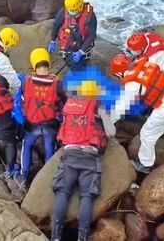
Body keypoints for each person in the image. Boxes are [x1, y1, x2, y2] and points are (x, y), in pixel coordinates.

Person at [108, 54, 164, 174]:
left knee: (147, 135)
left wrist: (107, 121)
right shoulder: (144, 63)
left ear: (119, 73)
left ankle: (145, 164)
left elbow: (120, 108)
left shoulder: (132, 85)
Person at [50, 81, 108, 241]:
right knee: (87, 196)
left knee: (63, 192)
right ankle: (82, 237)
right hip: (90, 155)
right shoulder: (98, 107)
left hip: (70, 153)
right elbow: (111, 131)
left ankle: (55, 236)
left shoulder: (70, 105)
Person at [13, 48, 66, 187]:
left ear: (33, 64)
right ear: (48, 63)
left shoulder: (26, 83)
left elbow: (21, 101)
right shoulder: (58, 84)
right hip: (50, 124)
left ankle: (24, 176)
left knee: (27, 145)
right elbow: (64, 104)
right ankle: (48, 177)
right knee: (50, 147)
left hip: (31, 124)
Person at [47, 0, 97, 70]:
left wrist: (81, 51)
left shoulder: (90, 17)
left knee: (81, 63)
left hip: (82, 43)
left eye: (73, 11)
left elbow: (91, 35)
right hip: (68, 41)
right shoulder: (64, 12)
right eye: (70, 10)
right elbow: (56, 25)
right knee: (69, 60)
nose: (71, 13)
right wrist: (52, 40)